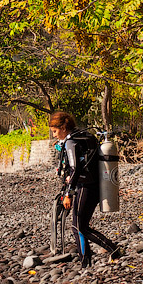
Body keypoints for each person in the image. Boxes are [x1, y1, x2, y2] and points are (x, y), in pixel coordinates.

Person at [50, 111, 121, 267]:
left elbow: (75, 169)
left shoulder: (71, 142)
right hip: (96, 185)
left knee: (78, 226)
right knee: (80, 226)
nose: (54, 135)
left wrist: (68, 193)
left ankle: (110, 250)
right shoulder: (85, 136)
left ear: (63, 127)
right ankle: (87, 261)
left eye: (55, 131)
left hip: (85, 187)